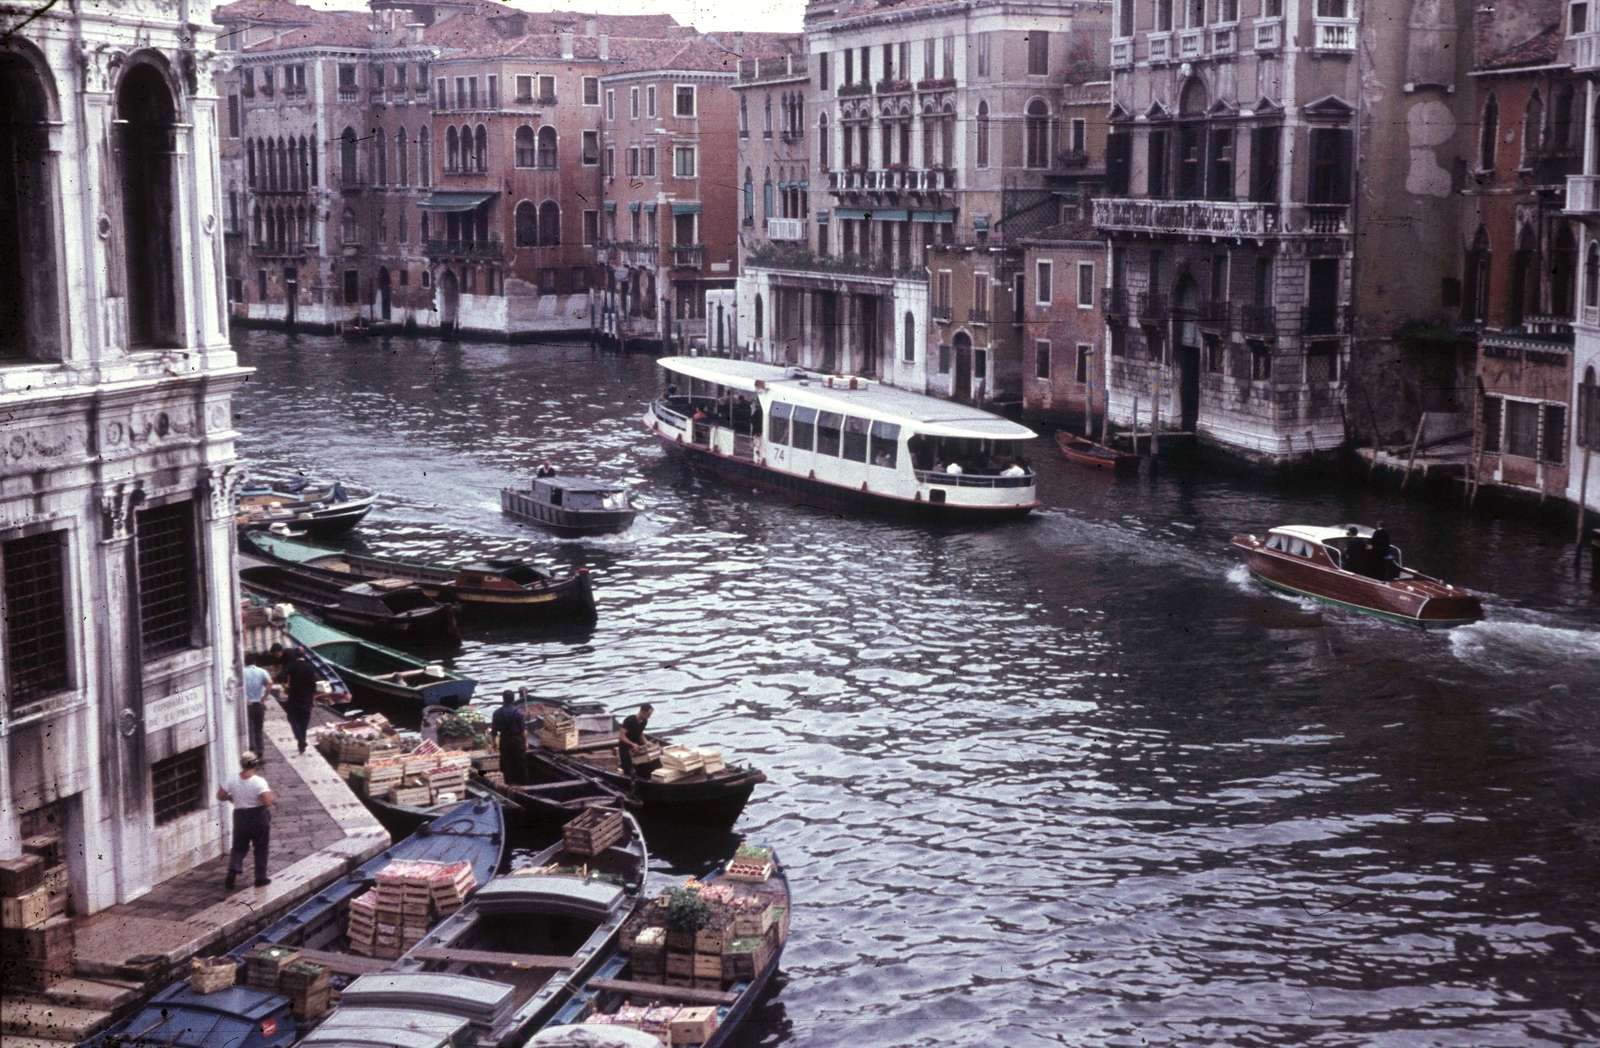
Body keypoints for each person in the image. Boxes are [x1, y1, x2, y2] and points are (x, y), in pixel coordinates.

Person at [218, 750, 275, 890]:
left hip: (240, 816)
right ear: (255, 765)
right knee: (261, 847)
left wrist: (231, 798)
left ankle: (233, 869)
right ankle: (260, 878)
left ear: (242, 765)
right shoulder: (259, 782)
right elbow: (267, 802)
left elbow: (220, 795)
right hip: (258, 816)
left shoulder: (232, 779)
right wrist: (271, 796)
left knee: (239, 846)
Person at [276, 648, 318, 754]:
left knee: (292, 719)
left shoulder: (292, 665)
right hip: (307, 697)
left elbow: (280, 677)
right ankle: (301, 745)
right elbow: (313, 685)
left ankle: (301, 740)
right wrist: (312, 699)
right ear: (304, 655)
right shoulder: (310, 667)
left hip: (294, 696)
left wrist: (285, 684)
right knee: (304, 722)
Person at [490, 690, 528, 786]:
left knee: (506, 763)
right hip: (517, 740)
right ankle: (523, 785)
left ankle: (509, 784)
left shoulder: (497, 713)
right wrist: (526, 742)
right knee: (521, 762)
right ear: (513, 699)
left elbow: (494, 731)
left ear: (503, 699)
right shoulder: (518, 712)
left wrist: (493, 743)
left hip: (504, 740)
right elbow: (523, 730)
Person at [243, 653, 272, 759]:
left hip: (248, 704)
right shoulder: (262, 671)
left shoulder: (242, 672)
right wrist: (264, 697)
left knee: (250, 729)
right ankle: (260, 752)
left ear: (245, 662)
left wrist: (245, 699)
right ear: (255, 662)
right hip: (259, 704)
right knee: (259, 729)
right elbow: (270, 683)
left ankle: (252, 751)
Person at [617, 703, 655, 778]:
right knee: (628, 770)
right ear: (642, 712)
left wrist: (646, 742)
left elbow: (640, 732)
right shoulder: (630, 720)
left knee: (642, 766)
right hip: (625, 746)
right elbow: (621, 736)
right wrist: (632, 744)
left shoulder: (644, 721)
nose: (649, 717)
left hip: (636, 744)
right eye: (648, 714)